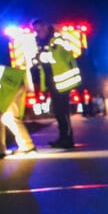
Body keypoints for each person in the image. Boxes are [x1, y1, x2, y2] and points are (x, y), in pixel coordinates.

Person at [31, 19, 82, 149]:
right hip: (52, 81)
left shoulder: (57, 40)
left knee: (62, 112)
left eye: (39, 29)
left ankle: (67, 140)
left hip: (62, 80)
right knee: (58, 112)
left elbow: (63, 56)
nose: (38, 32)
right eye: (36, 30)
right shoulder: (42, 42)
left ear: (46, 27)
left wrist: (42, 56)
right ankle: (63, 138)